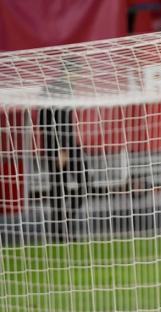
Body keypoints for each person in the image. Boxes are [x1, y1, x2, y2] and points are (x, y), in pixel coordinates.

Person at [39, 62, 86, 242]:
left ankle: (65, 221)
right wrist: (60, 148)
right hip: (56, 149)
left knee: (85, 183)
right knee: (58, 189)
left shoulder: (69, 88)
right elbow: (45, 123)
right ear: (67, 71)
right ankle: (58, 233)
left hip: (69, 146)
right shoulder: (50, 89)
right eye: (77, 72)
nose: (79, 77)